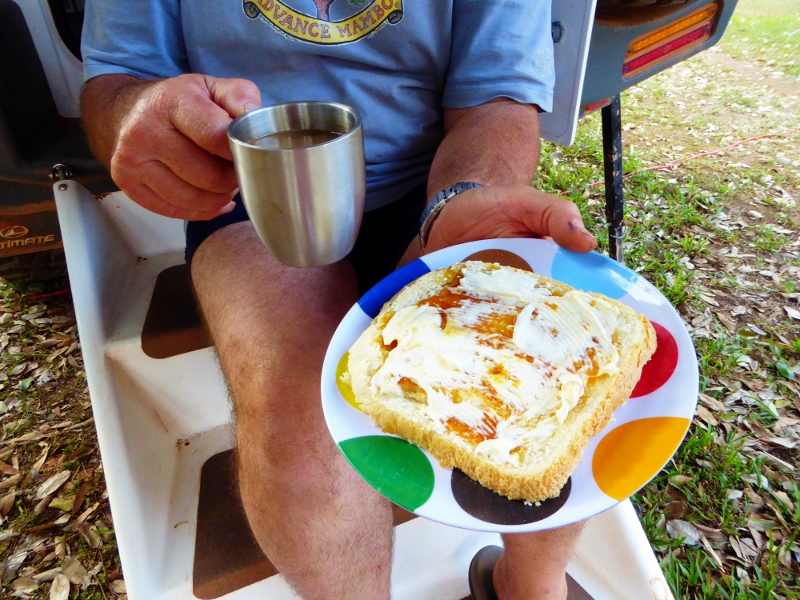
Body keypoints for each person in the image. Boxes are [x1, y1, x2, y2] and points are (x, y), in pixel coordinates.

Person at [80, 2, 598, 598]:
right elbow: (115, 79)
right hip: (249, 196)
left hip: (440, 182)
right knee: (302, 424)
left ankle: (531, 586)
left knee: (555, 363)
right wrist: (133, 115)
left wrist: (458, 201)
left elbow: (497, 97)